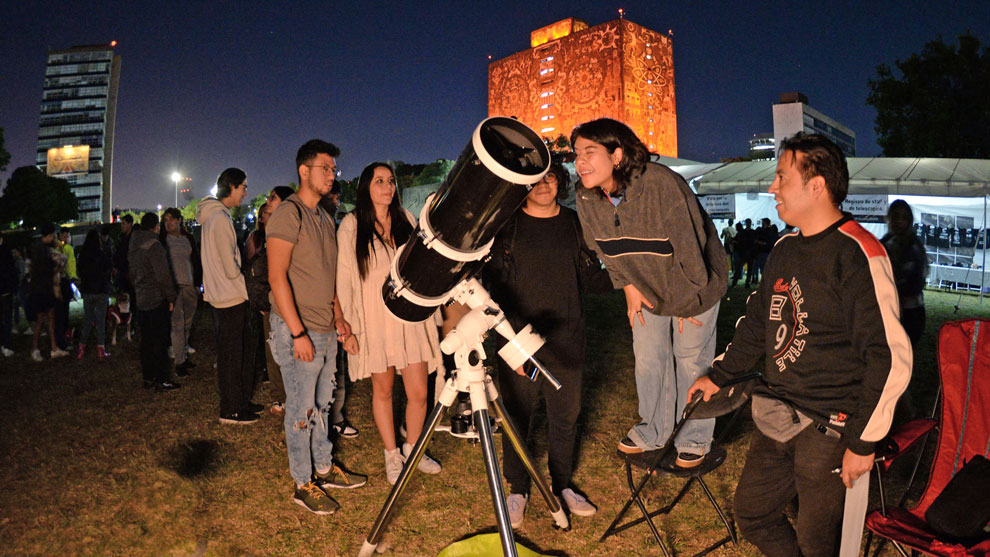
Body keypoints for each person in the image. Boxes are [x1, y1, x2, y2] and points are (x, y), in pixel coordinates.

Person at [688, 133, 912, 556]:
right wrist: (719, 375)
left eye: (781, 177)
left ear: (816, 185)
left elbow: (890, 358)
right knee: (752, 513)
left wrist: (863, 442)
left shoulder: (859, 254)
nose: (772, 188)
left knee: (817, 543)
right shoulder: (784, 248)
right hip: (777, 413)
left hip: (831, 426)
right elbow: (757, 324)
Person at [572, 118, 727, 467]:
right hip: (645, 285)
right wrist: (626, 283)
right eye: (577, 153)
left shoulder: (660, 184)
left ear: (617, 154)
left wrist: (690, 301)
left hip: (694, 282)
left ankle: (694, 436)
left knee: (691, 361)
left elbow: (692, 248)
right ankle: (654, 430)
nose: (580, 161)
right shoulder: (586, 196)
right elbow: (601, 249)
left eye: (590, 152)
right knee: (648, 356)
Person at [485, 162, 609, 527]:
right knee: (517, 417)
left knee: (564, 418)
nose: (543, 185)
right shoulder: (508, 227)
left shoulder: (573, 223)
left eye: (550, 177)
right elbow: (495, 289)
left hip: (566, 338)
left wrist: (633, 276)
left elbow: (590, 277)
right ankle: (518, 489)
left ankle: (562, 484)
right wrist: (516, 343)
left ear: (560, 182)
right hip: (518, 340)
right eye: (535, 180)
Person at [268, 139, 366, 515]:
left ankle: (324, 466)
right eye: (324, 168)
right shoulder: (288, 214)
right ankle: (302, 482)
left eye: (333, 169)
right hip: (300, 329)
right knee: (301, 408)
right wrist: (297, 333)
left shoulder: (325, 217)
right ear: (303, 171)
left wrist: (339, 318)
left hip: (325, 328)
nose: (331, 175)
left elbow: (328, 279)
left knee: (323, 404)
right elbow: (277, 278)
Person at [337, 162, 443, 485]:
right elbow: (344, 278)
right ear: (366, 187)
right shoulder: (352, 225)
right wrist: (345, 324)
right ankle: (391, 454)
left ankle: (413, 448)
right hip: (374, 319)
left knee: (419, 391)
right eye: (379, 181)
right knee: (382, 389)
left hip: (409, 318)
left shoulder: (406, 220)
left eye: (391, 181)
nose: (387, 186)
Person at [198, 168, 259, 424]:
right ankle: (232, 408)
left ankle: (238, 402)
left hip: (222, 296)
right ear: (231, 187)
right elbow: (230, 265)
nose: (245, 192)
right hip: (230, 297)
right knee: (234, 355)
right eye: (243, 187)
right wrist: (244, 283)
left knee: (232, 353)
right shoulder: (220, 219)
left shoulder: (212, 217)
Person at [130, 212, 180, 391]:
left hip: (141, 297)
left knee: (146, 340)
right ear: (156, 227)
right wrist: (171, 296)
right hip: (156, 298)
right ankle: (161, 378)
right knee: (160, 339)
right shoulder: (154, 245)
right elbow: (163, 276)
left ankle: (148, 377)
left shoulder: (134, 245)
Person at [160, 208, 201, 376]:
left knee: (187, 324)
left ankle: (183, 354)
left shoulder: (187, 238)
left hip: (189, 285)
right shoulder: (163, 240)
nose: (168, 223)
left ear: (179, 220)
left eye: (171, 219)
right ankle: (179, 362)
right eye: (165, 220)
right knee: (177, 325)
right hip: (174, 287)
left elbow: (196, 260)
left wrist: (198, 283)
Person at [881, 200, 928, 347]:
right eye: (895, 217)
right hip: (889, 311)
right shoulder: (885, 243)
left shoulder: (914, 247)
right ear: (889, 218)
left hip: (910, 313)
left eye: (903, 218)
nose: (899, 222)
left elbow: (917, 282)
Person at [29, 223, 68, 361]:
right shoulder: (44, 250)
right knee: (41, 320)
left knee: (49, 319)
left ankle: (53, 348)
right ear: (50, 235)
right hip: (43, 290)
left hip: (40, 289)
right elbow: (51, 268)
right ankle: (35, 349)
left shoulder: (37, 248)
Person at [76, 229, 113, 360]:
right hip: (101, 290)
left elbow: (80, 271)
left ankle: (81, 348)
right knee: (100, 320)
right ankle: (100, 349)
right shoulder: (101, 255)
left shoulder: (83, 256)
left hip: (88, 291)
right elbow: (108, 268)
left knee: (88, 319)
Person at [0, 234, 17, 357]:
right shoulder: (6, 253)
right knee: (7, 319)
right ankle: (7, 345)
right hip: (6, 291)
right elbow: (12, 272)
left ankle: (3, 344)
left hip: (4, 290)